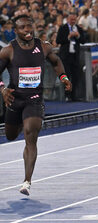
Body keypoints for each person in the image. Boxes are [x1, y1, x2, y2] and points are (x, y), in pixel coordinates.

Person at [0, 14, 72, 195]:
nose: (27, 31)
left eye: (29, 27)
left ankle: (27, 181)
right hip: (14, 99)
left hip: (35, 99)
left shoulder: (44, 47)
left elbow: (56, 62)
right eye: (23, 28)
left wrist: (63, 77)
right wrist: (2, 89)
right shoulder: (8, 50)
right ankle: (17, 125)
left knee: (30, 134)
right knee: (10, 135)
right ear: (15, 31)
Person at [56, 11, 85, 101]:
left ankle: (74, 96)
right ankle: (67, 95)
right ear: (68, 19)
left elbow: (83, 40)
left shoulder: (78, 29)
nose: (73, 21)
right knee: (66, 76)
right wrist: (68, 37)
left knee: (76, 76)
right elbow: (58, 40)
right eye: (71, 19)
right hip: (65, 56)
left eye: (74, 19)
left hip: (75, 56)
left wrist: (78, 36)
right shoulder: (63, 28)